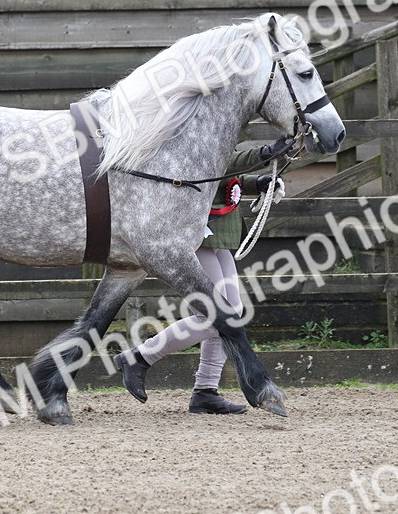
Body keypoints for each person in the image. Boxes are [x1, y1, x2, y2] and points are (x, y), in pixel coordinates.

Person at [115, 139, 288, 414]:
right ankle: (140, 356)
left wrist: (259, 182)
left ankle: (206, 391)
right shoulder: (194, 131)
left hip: (218, 235)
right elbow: (215, 160)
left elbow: (226, 176)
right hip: (198, 235)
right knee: (215, 317)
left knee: (232, 313)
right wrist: (263, 154)